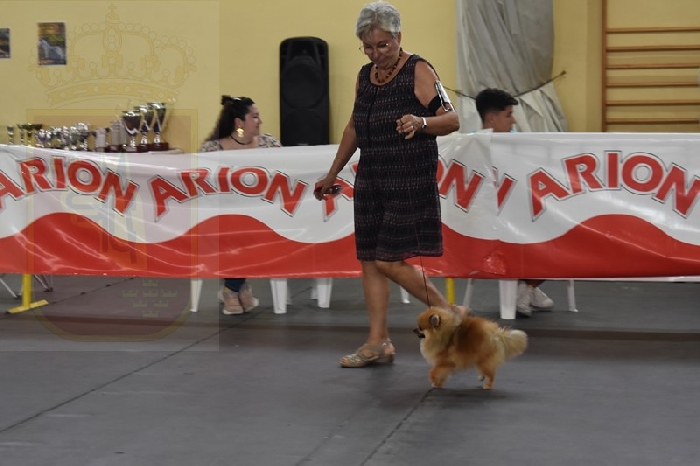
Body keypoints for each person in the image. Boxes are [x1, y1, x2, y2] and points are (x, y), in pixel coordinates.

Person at [314, 1, 461, 368]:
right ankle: (378, 341)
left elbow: (452, 119)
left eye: (383, 45)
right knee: (369, 259)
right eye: (367, 46)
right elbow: (354, 127)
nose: (375, 53)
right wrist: (333, 173)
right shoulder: (365, 76)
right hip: (372, 177)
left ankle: (449, 313)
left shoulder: (418, 69)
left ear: (399, 38)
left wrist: (421, 123)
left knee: (389, 260)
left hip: (409, 177)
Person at [475, 88, 554, 317]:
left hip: (519, 213)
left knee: (557, 231)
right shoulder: (471, 145)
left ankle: (527, 288)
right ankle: (528, 289)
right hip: (489, 223)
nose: (514, 120)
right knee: (543, 235)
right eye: (509, 115)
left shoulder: (519, 143)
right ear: (492, 118)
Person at [200, 95, 281, 315]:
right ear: (239, 122)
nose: (260, 121)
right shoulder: (212, 150)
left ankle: (232, 288)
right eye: (254, 116)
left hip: (265, 213)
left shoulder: (270, 144)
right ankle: (237, 287)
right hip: (224, 216)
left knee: (247, 228)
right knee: (233, 228)